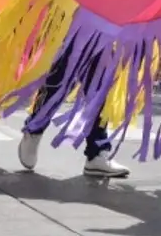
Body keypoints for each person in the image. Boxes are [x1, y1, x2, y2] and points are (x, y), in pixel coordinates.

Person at [17, 41, 130, 178]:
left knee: (100, 80)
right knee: (62, 76)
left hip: (108, 25)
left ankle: (96, 153)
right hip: (74, 23)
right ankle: (34, 129)